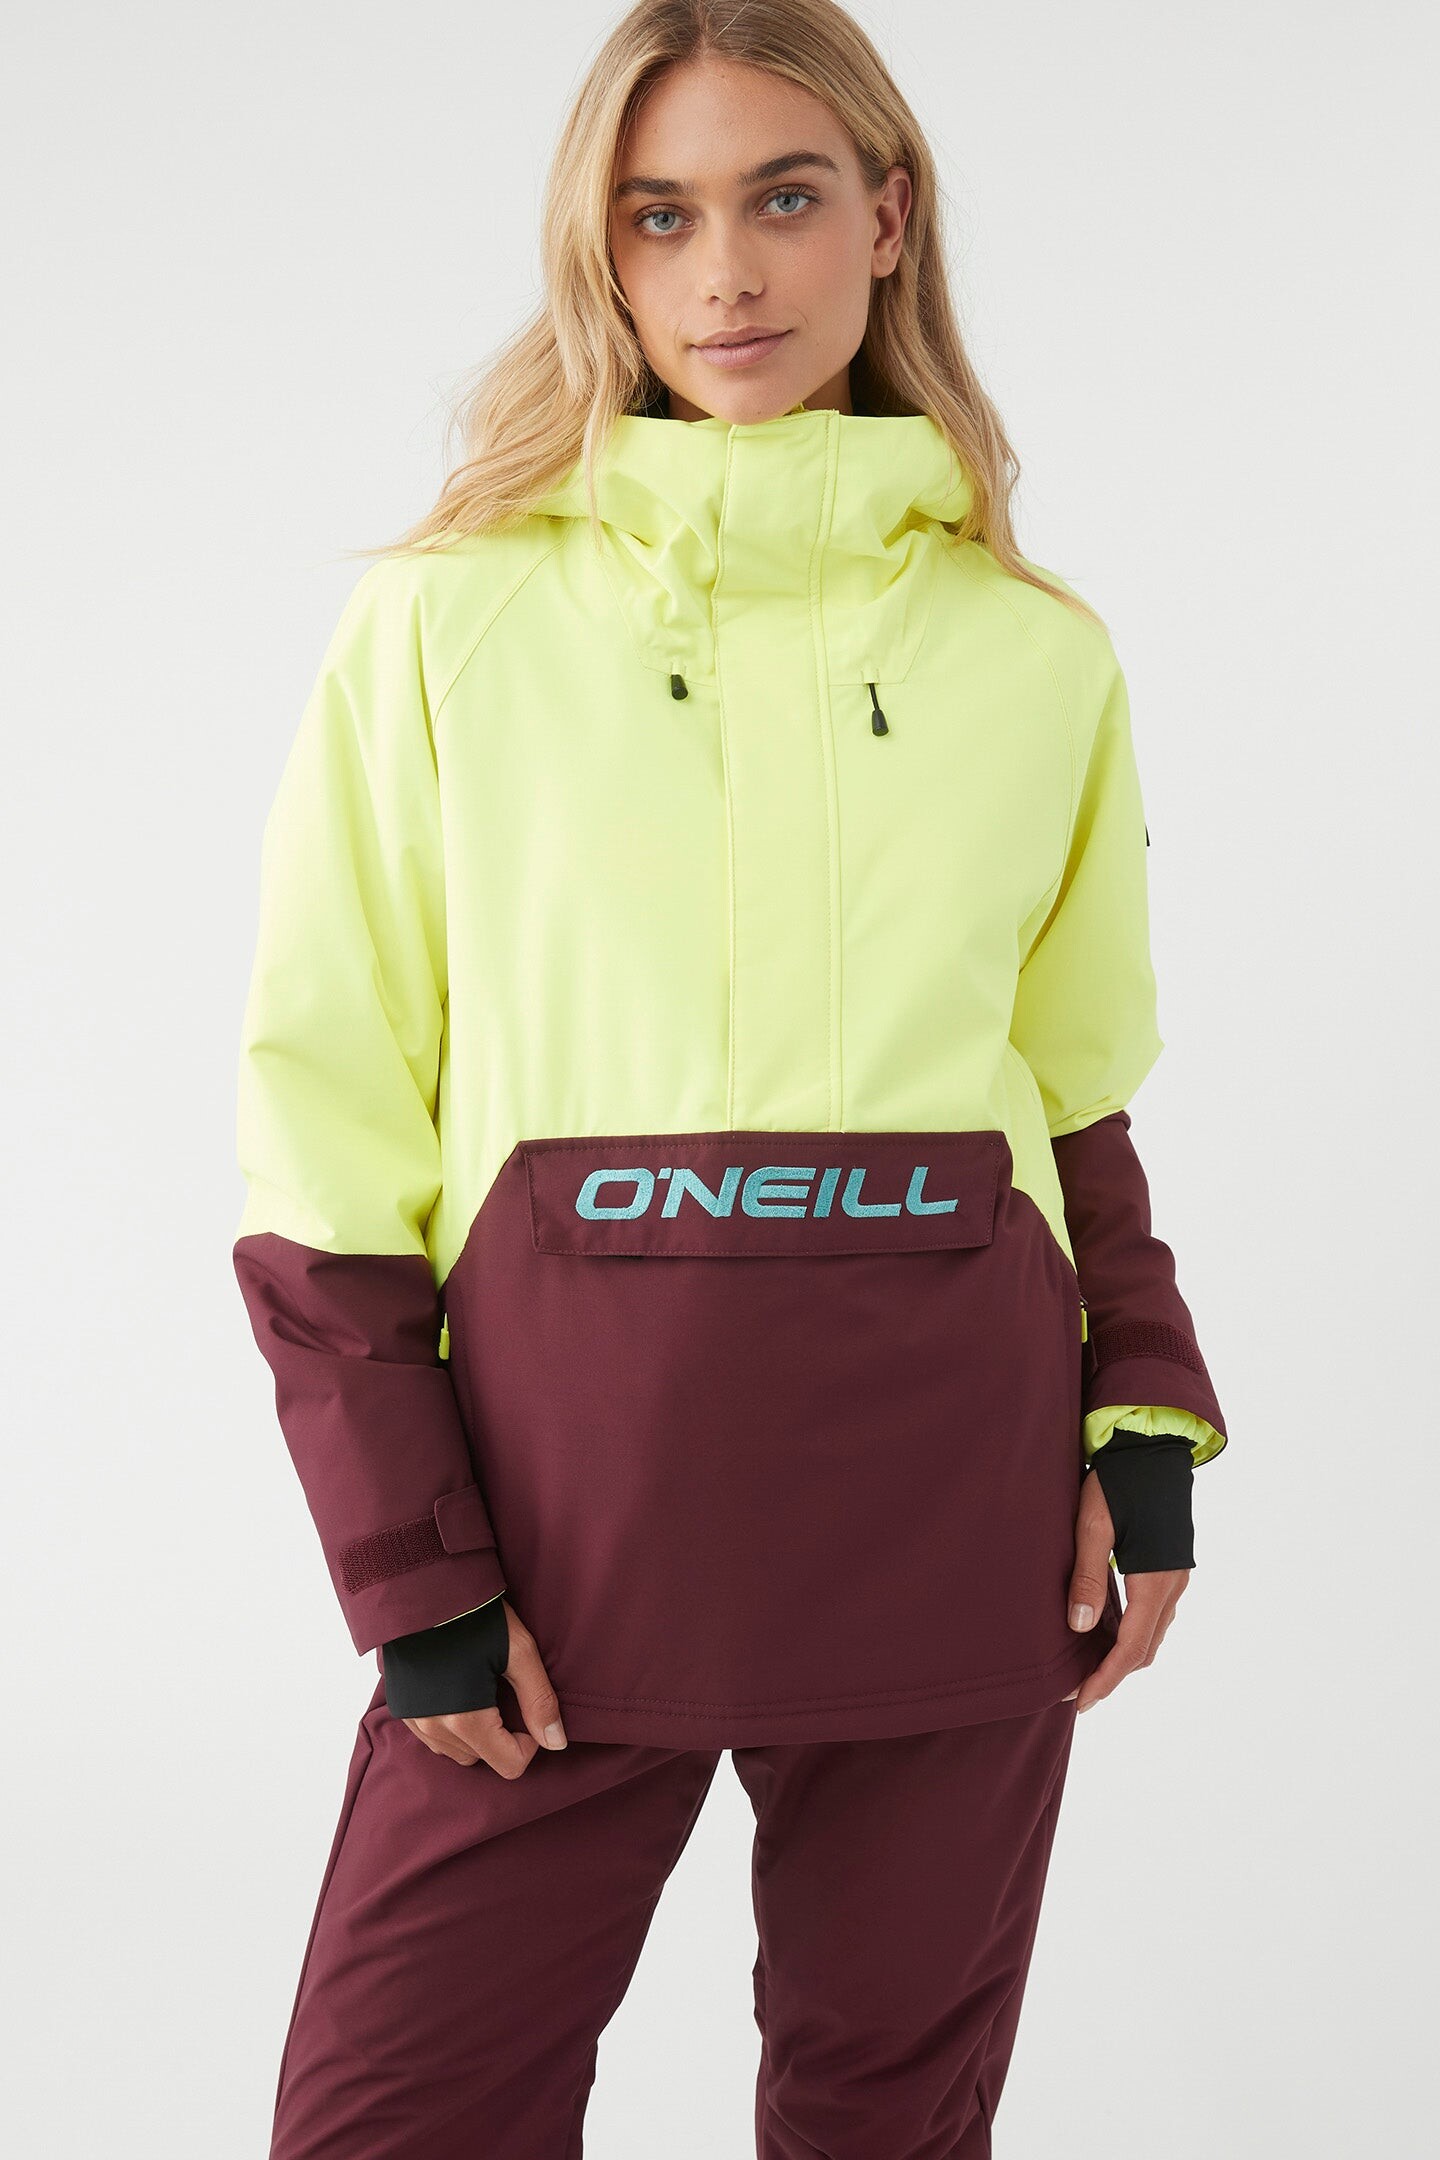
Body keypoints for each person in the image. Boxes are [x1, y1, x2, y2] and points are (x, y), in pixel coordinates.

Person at [230, 2, 1229, 2152]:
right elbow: (327, 1138)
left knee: (892, 2122)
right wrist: (413, 1571)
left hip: (953, 1518)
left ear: (890, 217)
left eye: (783, 198)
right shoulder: (445, 631)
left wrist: (1143, 1432)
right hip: (555, 1541)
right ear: (596, 250)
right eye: (658, 216)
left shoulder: (1036, 656)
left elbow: (1073, 1104)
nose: (726, 276)